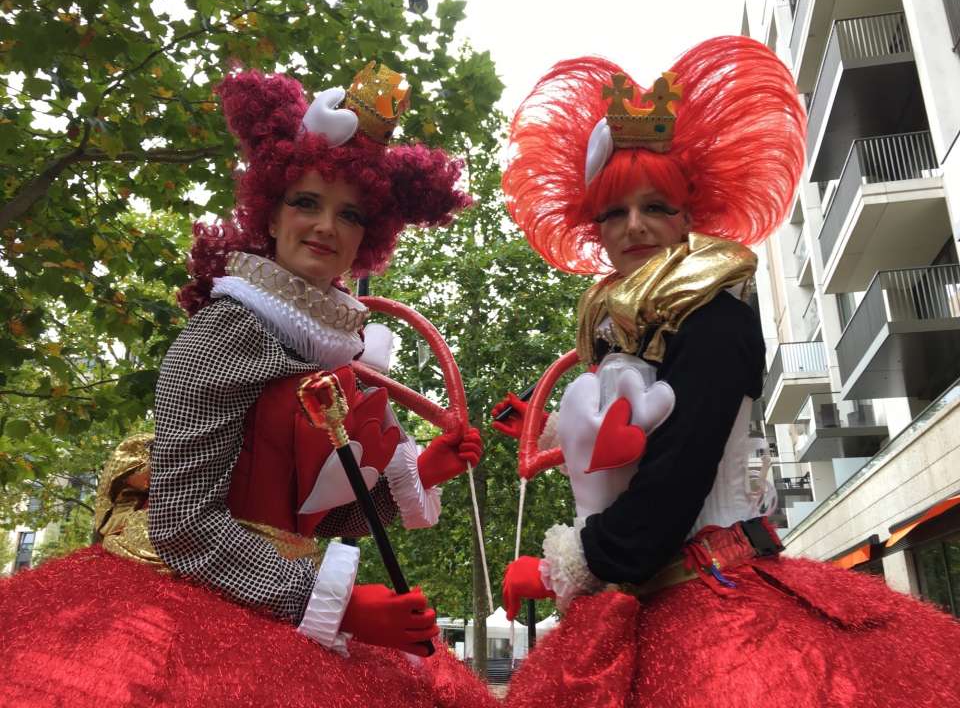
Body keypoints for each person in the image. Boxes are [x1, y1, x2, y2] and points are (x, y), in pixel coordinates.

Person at [0, 64, 496, 708]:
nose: (325, 227)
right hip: (186, 610)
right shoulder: (228, 330)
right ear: (270, 212)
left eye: (349, 214)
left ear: (366, 240)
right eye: (306, 202)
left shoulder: (334, 344)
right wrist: (337, 608)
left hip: (276, 602)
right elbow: (184, 523)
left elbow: (305, 517)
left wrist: (422, 470)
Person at [493, 37, 960, 708]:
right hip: (646, 604)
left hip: (715, 612)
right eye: (615, 212)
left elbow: (676, 477)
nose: (635, 227)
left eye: (657, 207)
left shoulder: (715, 316)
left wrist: (562, 566)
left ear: (692, 216)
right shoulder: (621, 327)